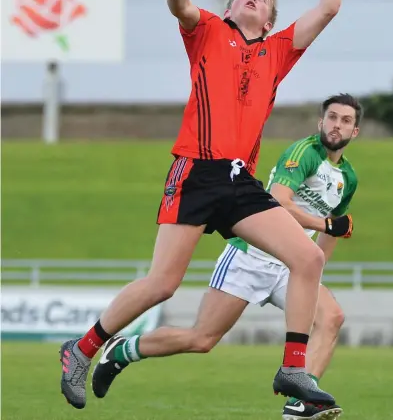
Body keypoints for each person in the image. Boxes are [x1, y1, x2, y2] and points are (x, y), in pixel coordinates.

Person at [60, 0, 348, 410]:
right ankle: (82, 349)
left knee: (307, 257)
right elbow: (185, 9)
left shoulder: (278, 51)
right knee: (162, 284)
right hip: (194, 171)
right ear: (231, 5)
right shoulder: (210, 31)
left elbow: (329, 7)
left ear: (271, 15)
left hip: (240, 182)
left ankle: (293, 371)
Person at [94, 93, 361, 420]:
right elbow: (278, 202)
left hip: (292, 265)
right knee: (201, 339)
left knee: (331, 317)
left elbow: (334, 230)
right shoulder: (304, 152)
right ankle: (122, 350)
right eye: (332, 118)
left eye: (345, 121)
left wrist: (315, 269)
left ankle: (303, 402)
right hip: (251, 255)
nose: (337, 125)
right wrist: (326, 224)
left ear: (355, 131)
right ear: (321, 122)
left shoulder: (348, 178)